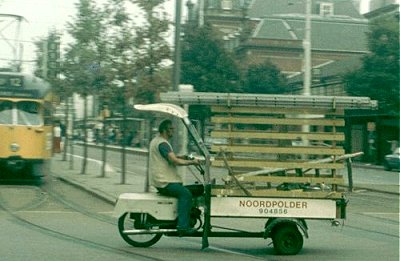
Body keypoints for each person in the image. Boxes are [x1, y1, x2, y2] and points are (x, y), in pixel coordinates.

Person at [149, 119, 200, 235]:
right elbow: (174, 161)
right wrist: (192, 163)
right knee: (186, 194)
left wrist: (185, 157)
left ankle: (180, 218)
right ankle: (183, 227)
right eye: (171, 129)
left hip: (161, 180)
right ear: (164, 130)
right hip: (165, 182)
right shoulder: (162, 143)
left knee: (191, 190)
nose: (173, 131)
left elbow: (170, 156)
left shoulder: (157, 141)